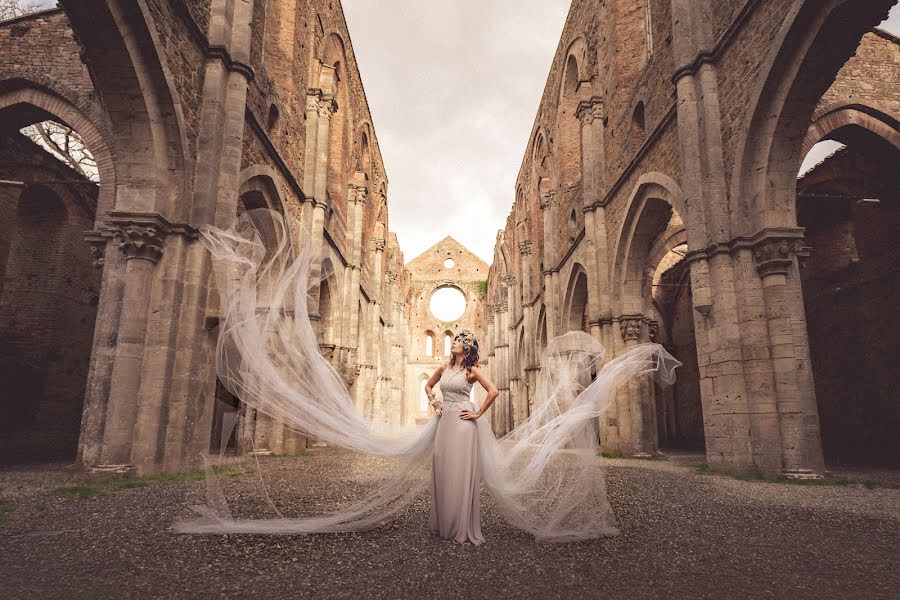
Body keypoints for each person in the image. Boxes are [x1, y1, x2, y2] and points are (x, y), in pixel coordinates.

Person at [425, 330, 498, 545]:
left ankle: (460, 525)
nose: (453, 343)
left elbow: (493, 391)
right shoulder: (443, 368)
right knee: (443, 468)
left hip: (464, 424)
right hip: (444, 422)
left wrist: (478, 413)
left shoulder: (472, 371)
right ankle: (445, 522)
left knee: (459, 471)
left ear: (467, 348)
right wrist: (435, 402)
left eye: (458, 341)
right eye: (454, 340)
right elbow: (428, 386)